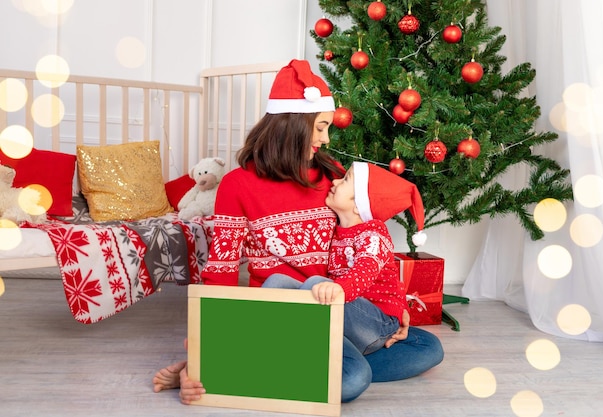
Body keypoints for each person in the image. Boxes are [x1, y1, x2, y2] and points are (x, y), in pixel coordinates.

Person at [153, 59, 443, 404]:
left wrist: (391, 309)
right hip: (283, 317)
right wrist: (209, 344)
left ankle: (257, 367)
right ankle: (240, 363)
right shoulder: (237, 185)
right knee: (350, 383)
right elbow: (222, 271)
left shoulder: (332, 175)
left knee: (429, 348)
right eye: (320, 127)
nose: (326, 138)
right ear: (292, 126)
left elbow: (367, 245)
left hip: (339, 309)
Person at [263, 160, 428, 358]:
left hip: (377, 324)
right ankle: (264, 340)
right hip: (348, 316)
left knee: (317, 284)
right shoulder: (337, 232)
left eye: (345, 180)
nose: (334, 183)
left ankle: (295, 350)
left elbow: (366, 270)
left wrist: (339, 288)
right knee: (277, 282)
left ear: (359, 206)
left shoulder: (374, 233)